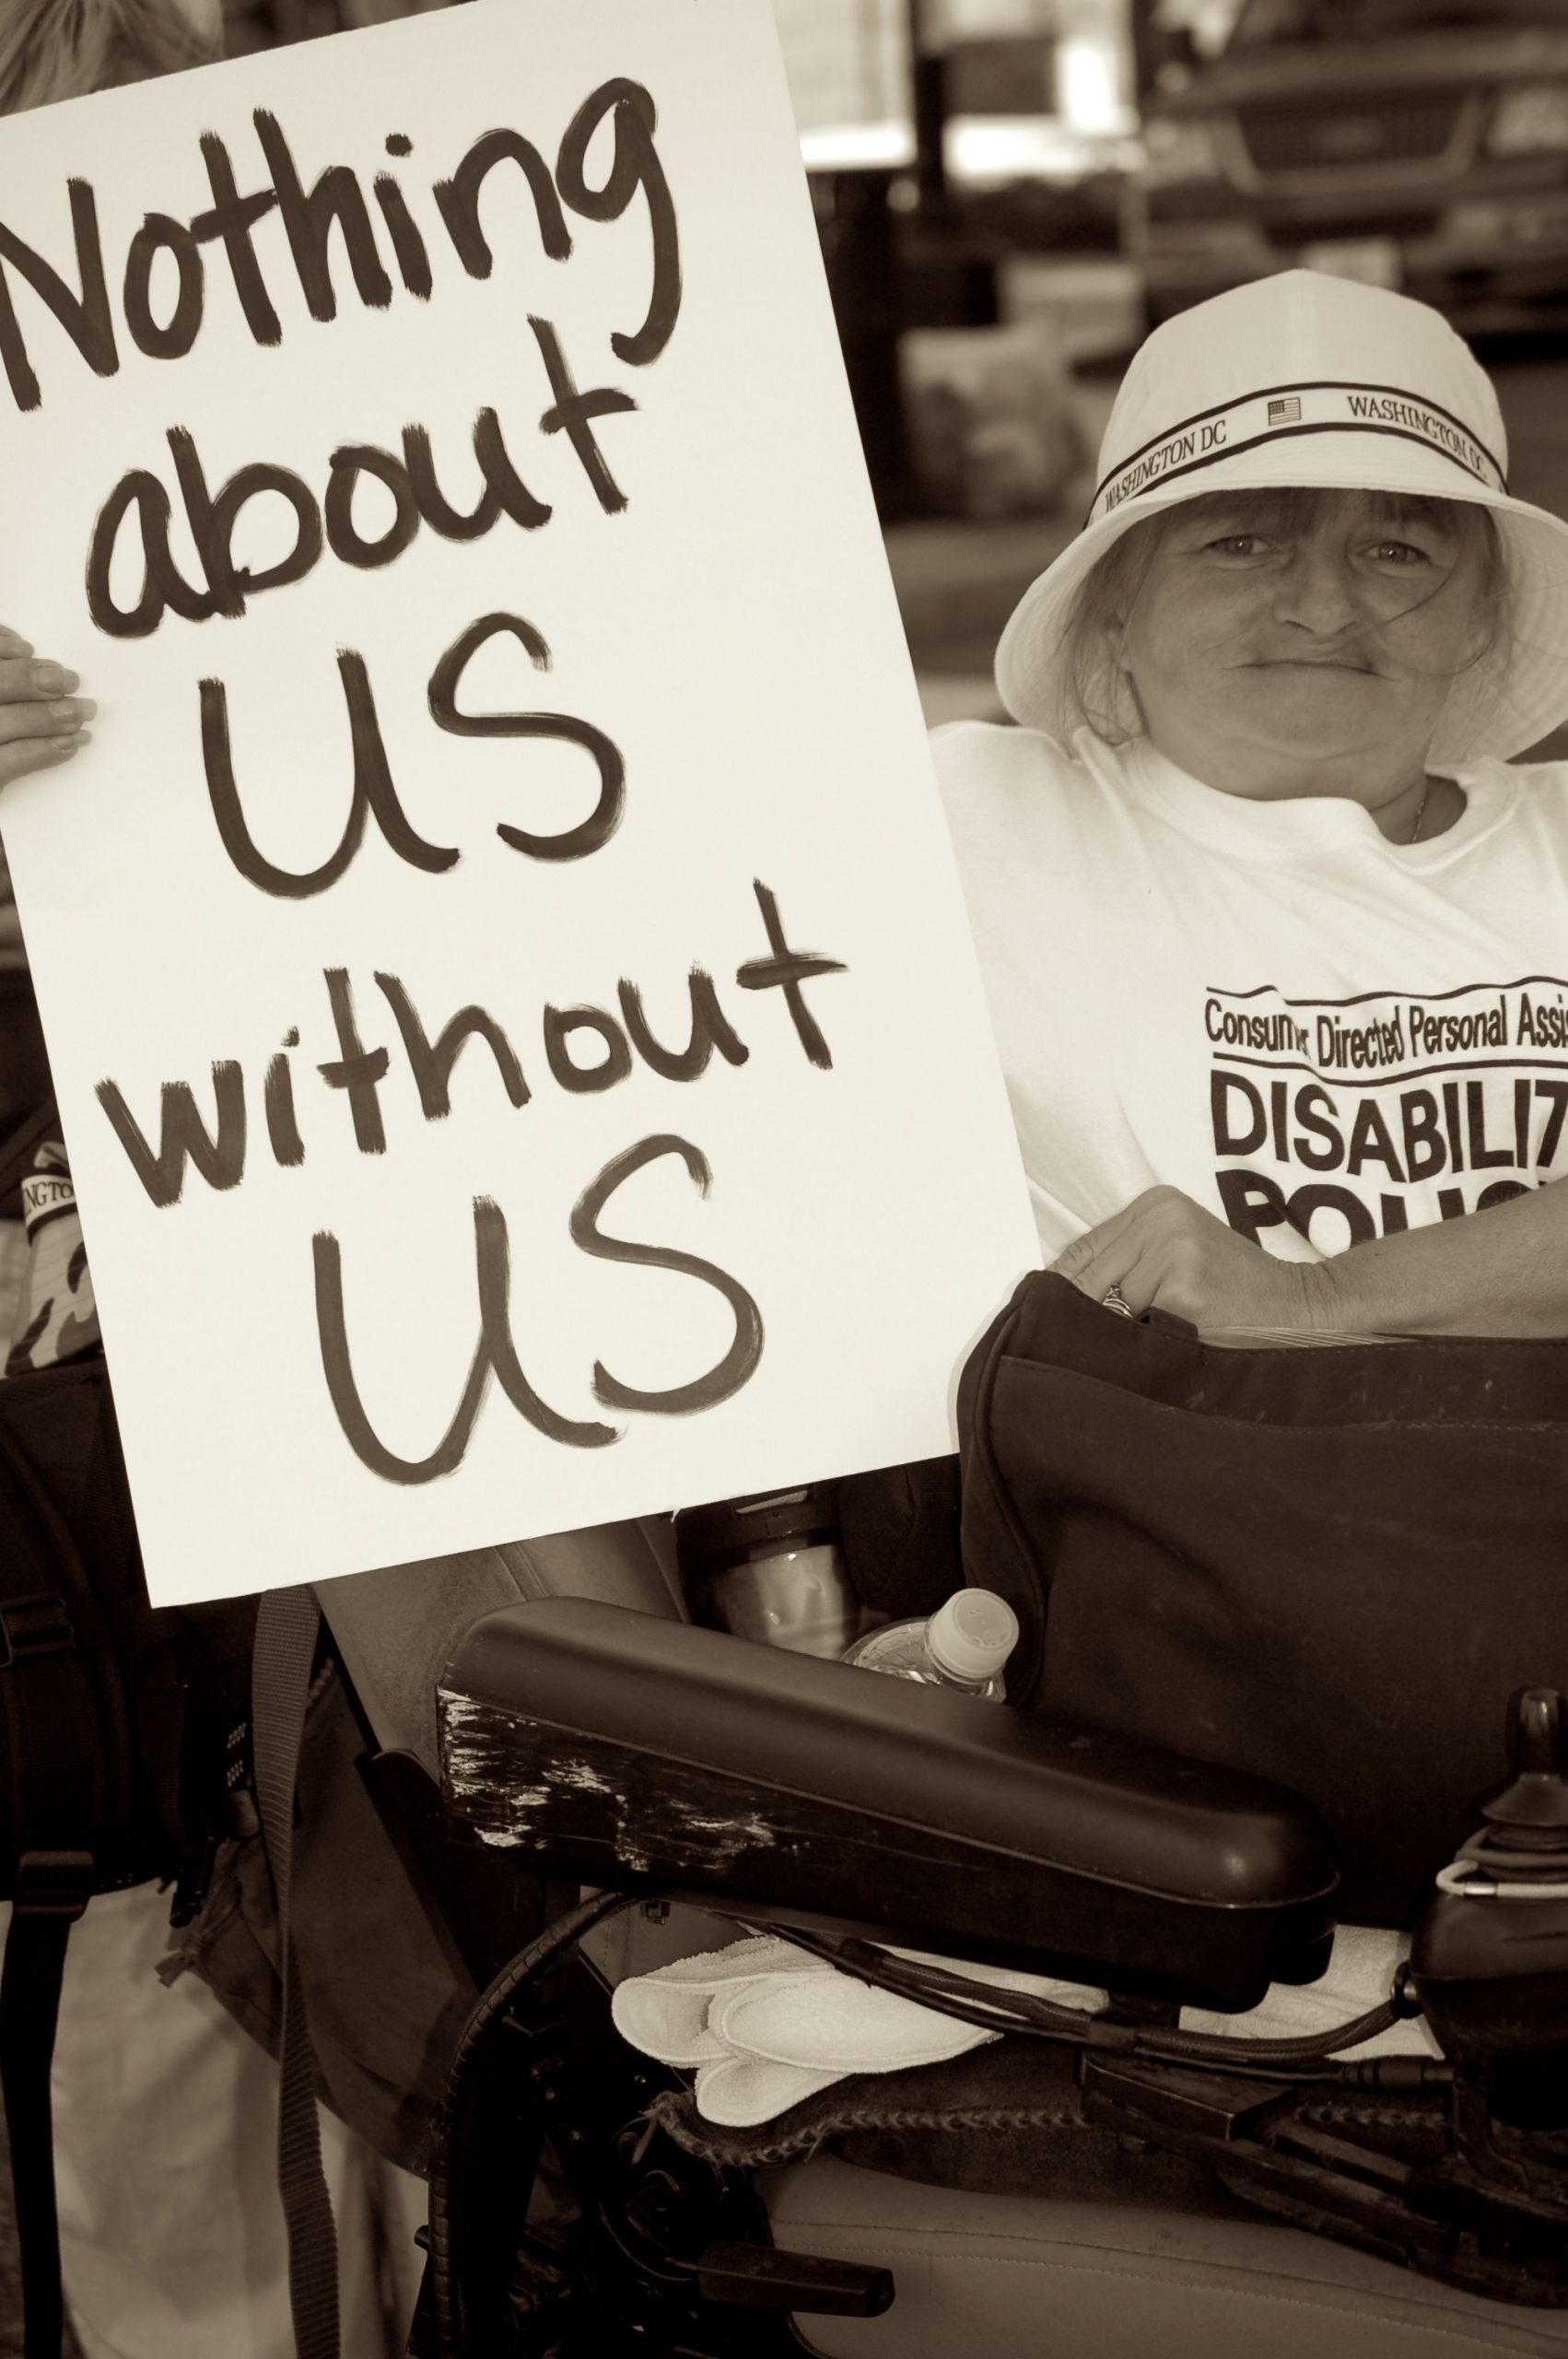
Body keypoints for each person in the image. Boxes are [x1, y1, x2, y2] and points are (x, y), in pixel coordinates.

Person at [934, 266, 1568, 1339]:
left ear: (1478, 615)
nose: (1322, 606)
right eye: (1241, 541)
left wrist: (1312, 1298)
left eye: (1395, 549)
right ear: (1117, 602)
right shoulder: (958, 823)